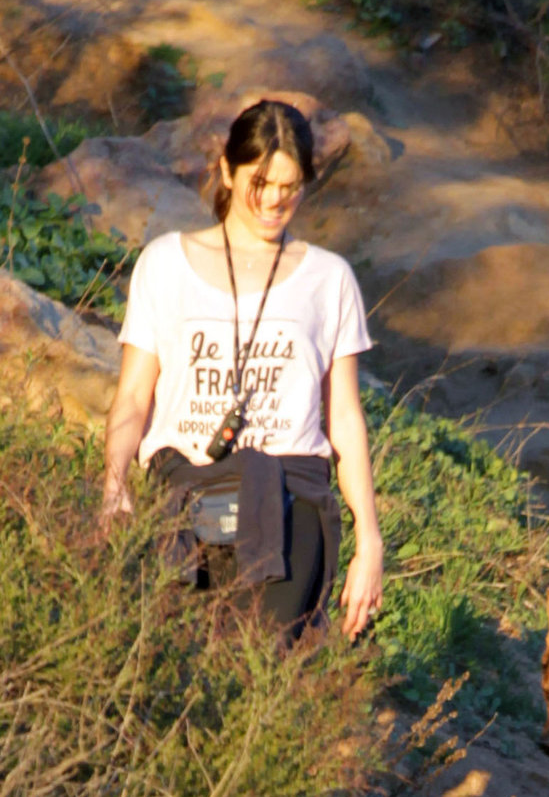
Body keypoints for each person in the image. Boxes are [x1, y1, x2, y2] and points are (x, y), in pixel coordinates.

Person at [101, 99, 383, 644]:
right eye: (260, 183)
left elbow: (345, 417)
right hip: (192, 485)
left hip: (292, 490)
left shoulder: (330, 279)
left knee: (263, 648)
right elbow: (134, 397)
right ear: (227, 171)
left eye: (290, 186)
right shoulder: (164, 264)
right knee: (191, 643)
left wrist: (369, 540)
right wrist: (114, 488)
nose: (275, 200)